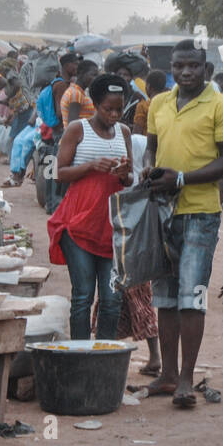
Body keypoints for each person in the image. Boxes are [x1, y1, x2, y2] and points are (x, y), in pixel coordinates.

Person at [142, 41, 223, 408]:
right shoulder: (159, 104)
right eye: (180, 66)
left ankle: (186, 378)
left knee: (192, 297)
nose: (186, 73)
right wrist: (149, 166)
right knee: (165, 298)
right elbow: (152, 146)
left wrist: (182, 179)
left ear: (206, 69)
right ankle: (167, 376)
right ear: (172, 67)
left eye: (193, 67)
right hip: (162, 211)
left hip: (200, 212)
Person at [47, 73, 136, 340]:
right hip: (78, 222)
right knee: (83, 295)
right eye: (108, 109)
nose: (114, 114)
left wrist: (123, 173)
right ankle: (80, 355)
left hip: (111, 225)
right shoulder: (77, 129)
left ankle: (105, 357)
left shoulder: (124, 132)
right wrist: (90, 166)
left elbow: (130, 177)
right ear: (95, 104)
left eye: (119, 109)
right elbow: (58, 172)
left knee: (111, 299)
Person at [62, 60, 99, 124]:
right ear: (81, 73)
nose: (96, 79)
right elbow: (72, 125)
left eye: (97, 76)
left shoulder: (77, 92)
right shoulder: (76, 94)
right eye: (93, 75)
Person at [131, 69, 166, 135]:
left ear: (148, 86)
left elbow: (137, 131)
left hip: (147, 142)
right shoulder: (169, 104)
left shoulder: (143, 106)